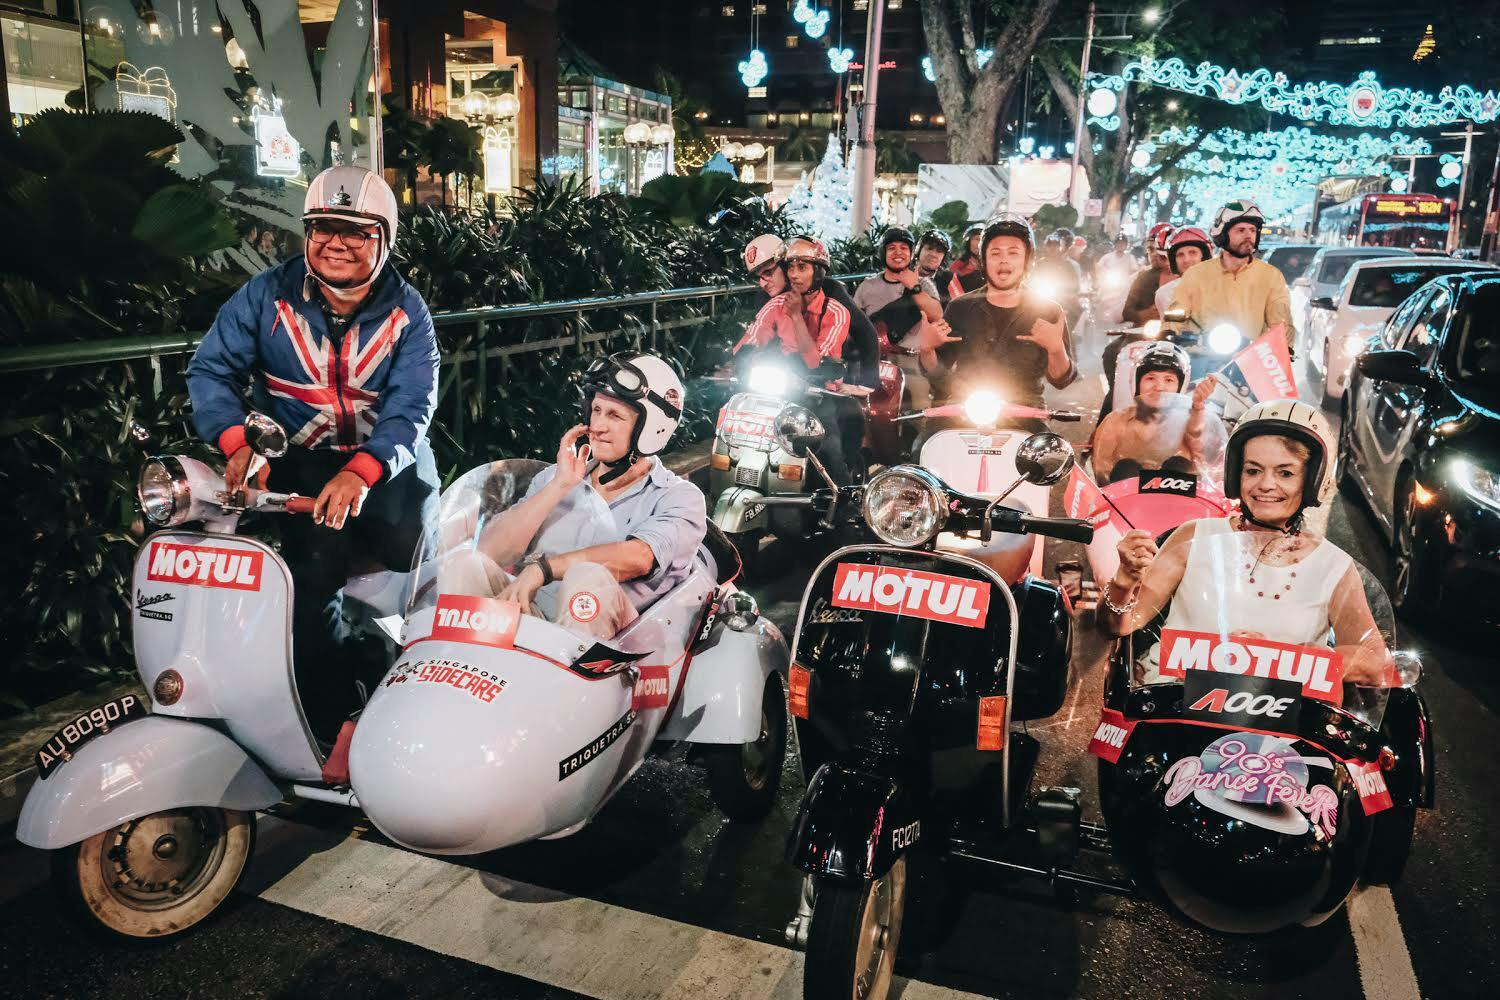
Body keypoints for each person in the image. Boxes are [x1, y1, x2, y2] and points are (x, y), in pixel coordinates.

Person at [187, 165, 441, 742]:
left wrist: (363, 472)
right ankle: (329, 716)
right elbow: (211, 369)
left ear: (385, 239)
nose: (336, 243)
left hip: (383, 459)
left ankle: (424, 692)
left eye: (357, 231)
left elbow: (411, 407)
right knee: (311, 578)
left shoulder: (408, 312)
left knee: (423, 558)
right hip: (300, 457)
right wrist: (236, 443)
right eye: (323, 227)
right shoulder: (265, 296)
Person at [1099, 400, 1390, 687]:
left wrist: (1268, 659)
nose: (1265, 484)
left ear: (1313, 480)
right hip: (1173, 703)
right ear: (1236, 474)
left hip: (1277, 714)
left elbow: (1374, 663)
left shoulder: (1332, 565)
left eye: (1285, 473)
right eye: (1253, 470)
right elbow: (1115, 626)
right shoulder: (1194, 537)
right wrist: (1124, 581)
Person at [436, 352, 707, 642]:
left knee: (587, 578)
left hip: (612, 650)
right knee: (463, 563)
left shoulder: (679, 497)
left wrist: (543, 570)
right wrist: (559, 486)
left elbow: (639, 557)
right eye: (596, 410)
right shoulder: (555, 477)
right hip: (533, 630)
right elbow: (489, 552)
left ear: (652, 428)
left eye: (614, 415)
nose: (597, 426)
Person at [733, 235, 880, 481]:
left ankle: (842, 493)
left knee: (831, 447)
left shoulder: (832, 298)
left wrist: (866, 382)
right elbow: (754, 336)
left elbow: (864, 335)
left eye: (768, 272)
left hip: (825, 382)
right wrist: (740, 360)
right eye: (791, 267)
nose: (763, 282)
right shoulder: (771, 302)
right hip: (780, 385)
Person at [918, 214, 1077, 428]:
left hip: (1027, 415)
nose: (1004, 260)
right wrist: (927, 349)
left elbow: (1061, 380)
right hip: (964, 412)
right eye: (995, 253)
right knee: (924, 444)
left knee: (1053, 450)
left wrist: (1056, 349)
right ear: (984, 260)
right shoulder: (960, 307)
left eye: (1013, 253)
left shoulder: (1049, 310)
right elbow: (938, 374)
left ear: (1027, 260)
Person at [1166, 200, 1296, 355]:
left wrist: (1284, 346)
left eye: (1252, 230)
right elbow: (1176, 313)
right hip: (1198, 357)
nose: (1248, 235)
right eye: (1241, 230)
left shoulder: (1271, 275)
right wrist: (1169, 333)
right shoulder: (1195, 274)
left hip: (1252, 359)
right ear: (1223, 235)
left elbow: (1280, 321)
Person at [1091, 342, 1226, 485]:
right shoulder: (1115, 421)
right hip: (1124, 498)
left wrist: (1198, 405)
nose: (1159, 387)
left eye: (1169, 380)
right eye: (1150, 378)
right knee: (1126, 468)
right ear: (1137, 383)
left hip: (1178, 499)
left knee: (1179, 466)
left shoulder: (1190, 419)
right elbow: (1101, 472)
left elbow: (1197, 437)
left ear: (1180, 386)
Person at [855, 226, 947, 411]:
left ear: (911, 253)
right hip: (874, 360)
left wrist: (914, 288)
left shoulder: (923, 283)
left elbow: (937, 314)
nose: (898, 252)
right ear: (883, 253)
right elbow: (854, 323)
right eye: (892, 248)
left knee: (920, 409)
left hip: (911, 361)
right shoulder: (868, 285)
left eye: (904, 248)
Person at [1154, 226, 1214, 318]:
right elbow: (1173, 324)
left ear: (1204, 256)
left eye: (1193, 252)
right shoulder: (1165, 294)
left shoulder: (1222, 286)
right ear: (1174, 261)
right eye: (1180, 255)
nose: (1186, 260)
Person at [1121, 223, 1175, 325]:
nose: (1154, 254)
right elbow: (1126, 313)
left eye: (1160, 249)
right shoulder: (1143, 277)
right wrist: (1145, 314)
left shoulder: (1186, 276)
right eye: (1151, 249)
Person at [1032, 231, 1085, 331]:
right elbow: (1032, 280)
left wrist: (1071, 293)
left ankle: (1068, 334)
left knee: (1077, 311)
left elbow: (1075, 284)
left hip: (1064, 300)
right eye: (1050, 245)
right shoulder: (1040, 264)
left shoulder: (1067, 265)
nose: (1053, 248)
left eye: (1055, 246)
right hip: (1043, 298)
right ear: (1046, 247)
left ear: (1060, 247)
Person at [946, 222, 987, 300]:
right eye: (977, 239)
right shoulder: (958, 265)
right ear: (968, 242)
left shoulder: (992, 265)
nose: (979, 243)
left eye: (982, 240)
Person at [916, 228, 956, 307]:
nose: (933, 254)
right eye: (929, 248)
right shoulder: (904, 272)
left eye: (939, 251)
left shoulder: (950, 279)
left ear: (944, 258)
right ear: (919, 250)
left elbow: (959, 306)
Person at [744, 233, 788, 302]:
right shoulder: (762, 301)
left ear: (785, 265)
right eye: (757, 278)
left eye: (767, 273)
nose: (762, 284)